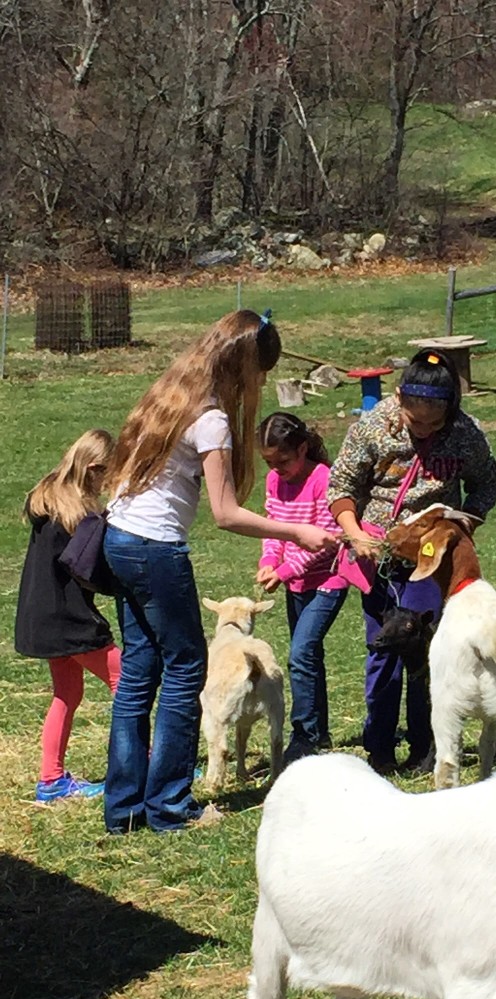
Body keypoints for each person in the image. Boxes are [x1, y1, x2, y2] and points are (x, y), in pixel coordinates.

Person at [102, 309, 337, 834]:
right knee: (187, 670)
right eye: (262, 375)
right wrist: (295, 532)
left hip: (119, 538)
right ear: (246, 368)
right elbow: (225, 512)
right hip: (157, 549)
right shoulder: (209, 416)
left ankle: (124, 808)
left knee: (140, 672)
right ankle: (169, 806)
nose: (261, 385)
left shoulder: (167, 395)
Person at [327, 348, 496, 774]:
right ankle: (380, 746)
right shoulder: (373, 426)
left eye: (432, 421)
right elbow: (341, 485)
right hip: (377, 558)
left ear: (449, 409)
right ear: (400, 397)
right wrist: (354, 532)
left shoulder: (467, 435)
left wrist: (461, 529)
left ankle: (427, 745)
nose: (421, 428)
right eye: (412, 418)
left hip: (432, 562)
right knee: (384, 651)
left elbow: (486, 487)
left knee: (431, 652)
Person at [15, 429, 121, 803]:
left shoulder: (48, 497)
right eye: (107, 475)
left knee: (67, 693)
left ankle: (51, 779)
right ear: (93, 468)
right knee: (127, 683)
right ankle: (142, 763)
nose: (108, 484)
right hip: (68, 620)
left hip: (41, 616)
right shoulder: (77, 513)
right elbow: (88, 569)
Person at [256, 413, 347, 764]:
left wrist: (284, 569)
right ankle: (320, 732)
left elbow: (327, 541)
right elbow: (272, 527)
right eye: (269, 462)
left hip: (328, 578)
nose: (277, 469)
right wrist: (269, 561)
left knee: (300, 654)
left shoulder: (324, 479)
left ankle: (304, 734)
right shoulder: (274, 482)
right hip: (294, 581)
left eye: (284, 460)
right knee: (308, 656)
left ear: (303, 449)